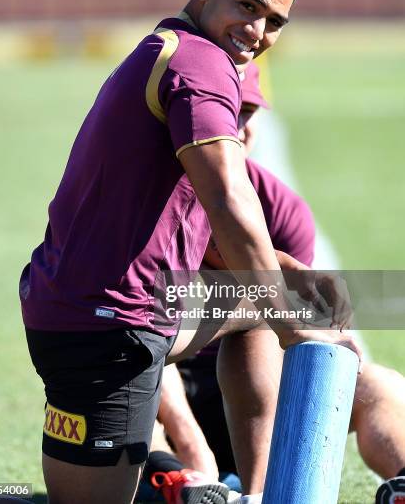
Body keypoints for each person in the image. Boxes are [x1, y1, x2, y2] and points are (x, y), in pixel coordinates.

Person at [20, 0, 361, 504]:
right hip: (109, 325)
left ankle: (255, 495)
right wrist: (289, 319)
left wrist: (287, 278)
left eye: (274, 21)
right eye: (248, 6)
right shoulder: (201, 66)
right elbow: (228, 197)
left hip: (105, 305)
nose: (258, 31)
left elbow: (208, 227)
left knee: (255, 307)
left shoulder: (172, 47)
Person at [138, 76, 405, 504]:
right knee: (129, 394)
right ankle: (185, 480)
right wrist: (193, 444)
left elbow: (307, 318)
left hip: (261, 395)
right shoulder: (154, 201)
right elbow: (138, 330)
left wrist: (337, 354)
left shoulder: (280, 206)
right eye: (226, 114)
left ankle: (399, 484)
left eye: (247, 113)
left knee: (382, 387)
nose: (238, 127)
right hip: (173, 385)